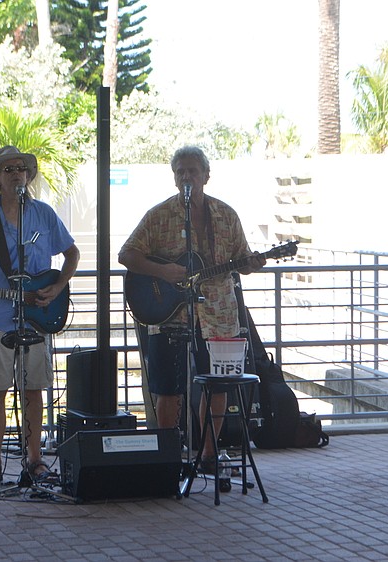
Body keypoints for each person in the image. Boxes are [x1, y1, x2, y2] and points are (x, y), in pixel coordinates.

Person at [118, 145, 266, 473]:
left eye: (192, 171)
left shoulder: (226, 215)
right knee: (168, 389)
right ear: (174, 178)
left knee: (218, 385)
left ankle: (208, 454)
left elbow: (242, 259)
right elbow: (126, 254)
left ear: (206, 176)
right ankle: (165, 458)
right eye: (180, 172)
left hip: (218, 315)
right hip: (169, 316)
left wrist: (251, 263)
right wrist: (163, 272)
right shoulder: (158, 216)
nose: (186, 176)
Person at [0, 145, 80, 485]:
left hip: (37, 317)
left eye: (21, 168)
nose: (16, 174)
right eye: (8, 170)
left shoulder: (44, 215)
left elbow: (71, 253)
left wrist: (57, 287)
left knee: (34, 388)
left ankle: (35, 458)